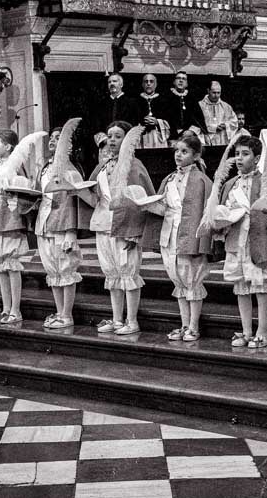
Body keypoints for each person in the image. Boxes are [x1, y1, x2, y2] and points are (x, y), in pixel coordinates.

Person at [211, 135, 267, 348]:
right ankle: (246, 330)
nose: (239, 158)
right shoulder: (230, 184)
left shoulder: (265, 181)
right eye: (237, 154)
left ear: (257, 158)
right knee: (241, 286)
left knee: (260, 286)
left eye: (245, 154)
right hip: (237, 238)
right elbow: (222, 209)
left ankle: (262, 331)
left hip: (259, 238)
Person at [88, 122, 154, 335]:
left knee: (128, 272)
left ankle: (132, 320)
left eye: (118, 136)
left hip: (125, 227)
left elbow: (142, 201)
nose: (112, 140)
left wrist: (135, 231)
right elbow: (93, 198)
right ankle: (117, 319)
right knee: (112, 273)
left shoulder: (134, 165)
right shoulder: (103, 166)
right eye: (110, 136)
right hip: (103, 224)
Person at [156, 133, 212, 342]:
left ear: (196, 155)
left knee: (192, 280)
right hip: (171, 234)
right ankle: (184, 324)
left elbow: (204, 212)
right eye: (177, 151)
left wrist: (202, 241)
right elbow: (163, 205)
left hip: (190, 236)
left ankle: (194, 326)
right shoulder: (170, 178)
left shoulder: (201, 180)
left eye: (184, 151)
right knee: (178, 280)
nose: (178, 155)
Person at [36, 122, 90, 330]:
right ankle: (59, 312)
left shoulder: (71, 172)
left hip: (62, 225)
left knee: (65, 270)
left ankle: (67, 314)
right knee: (53, 271)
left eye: (58, 138)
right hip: (45, 223)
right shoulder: (45, 168)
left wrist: (70, 233)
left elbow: (73, 204)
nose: (52, 140)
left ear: (68, 146)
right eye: (51, 137)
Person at [0, 130, 34, 324]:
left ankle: (15, 309)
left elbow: (24, 191)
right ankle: (5, 307)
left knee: (12, 266)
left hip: (9, 219)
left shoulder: (15, 166)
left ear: (9, 147)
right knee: (1, 265)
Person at [163, 71, 206, 140]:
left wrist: (191, 131)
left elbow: (199, 119)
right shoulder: (166, 98)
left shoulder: (192, 99)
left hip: (189, 136)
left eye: (184, 79)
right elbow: (164, 118)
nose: (181, 80)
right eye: (178, 78)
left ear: (187, 84)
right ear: (174, 82)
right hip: (171, 136)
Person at [198, 80, 239, 146]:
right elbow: (197, 124)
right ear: (208, 91)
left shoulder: (226, 106)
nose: (216, 95)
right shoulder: (200, 106)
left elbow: (234, 122)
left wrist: (226, 125)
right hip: (206, 141)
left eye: (218, 93)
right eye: (214, 92)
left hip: (223, 140)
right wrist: (214, 128)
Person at [137, 73, 171, 148]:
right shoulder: (136, 101)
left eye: (151, 81)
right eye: (146, 81)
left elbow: (170, 120)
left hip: (159, 137)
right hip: (142, 137)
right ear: (142, 84)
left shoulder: (164, 101)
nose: (148, 84)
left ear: (156, 84)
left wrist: (157, 121)